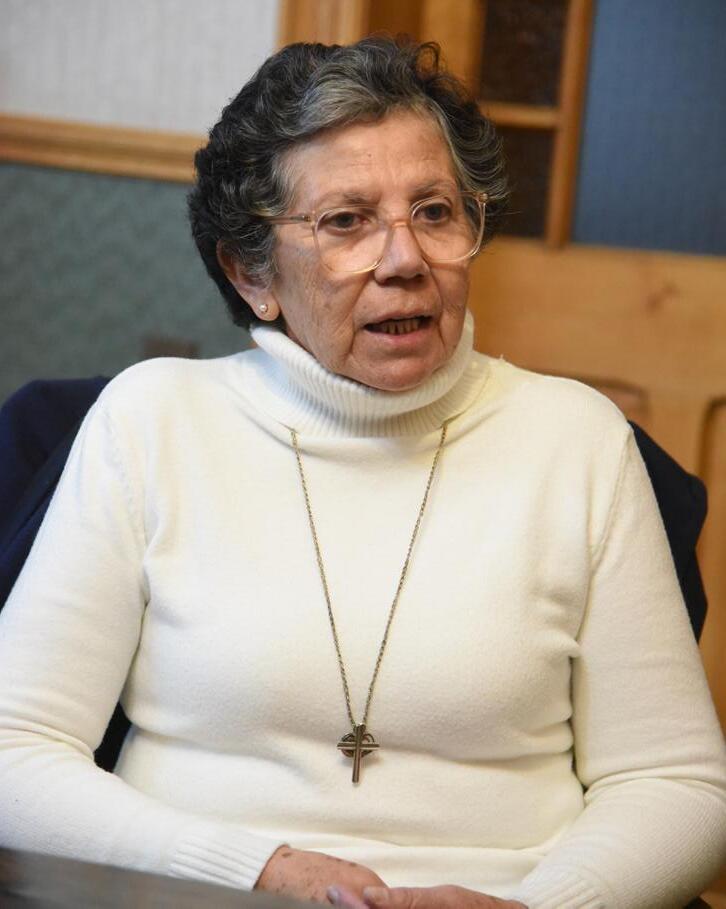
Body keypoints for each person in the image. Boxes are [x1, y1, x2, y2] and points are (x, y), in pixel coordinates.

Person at [0, 37, 724, 909]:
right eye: (346, 222)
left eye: (434, 211)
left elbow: (676, 782)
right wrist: (255, 870)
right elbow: (13, 749)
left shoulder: (579, 442)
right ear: (251, 271)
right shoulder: (152, 422)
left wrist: (540, 908)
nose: (404, 259)